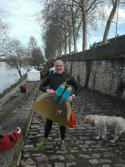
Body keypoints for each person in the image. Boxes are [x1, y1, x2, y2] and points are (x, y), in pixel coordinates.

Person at [36, 60, 81, 151]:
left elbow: (78, 87)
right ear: (55, 67)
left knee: (62, 123)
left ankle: (62, 142)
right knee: (49, 122)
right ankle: (45, 140)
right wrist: (47, 90)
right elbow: (41, 86)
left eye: (60, 66)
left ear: (63, 67)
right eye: (57, 66)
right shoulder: (50, 76)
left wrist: (73, 96)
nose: (59, 67)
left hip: (64, 103)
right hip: (53, 103)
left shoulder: (69, 77)